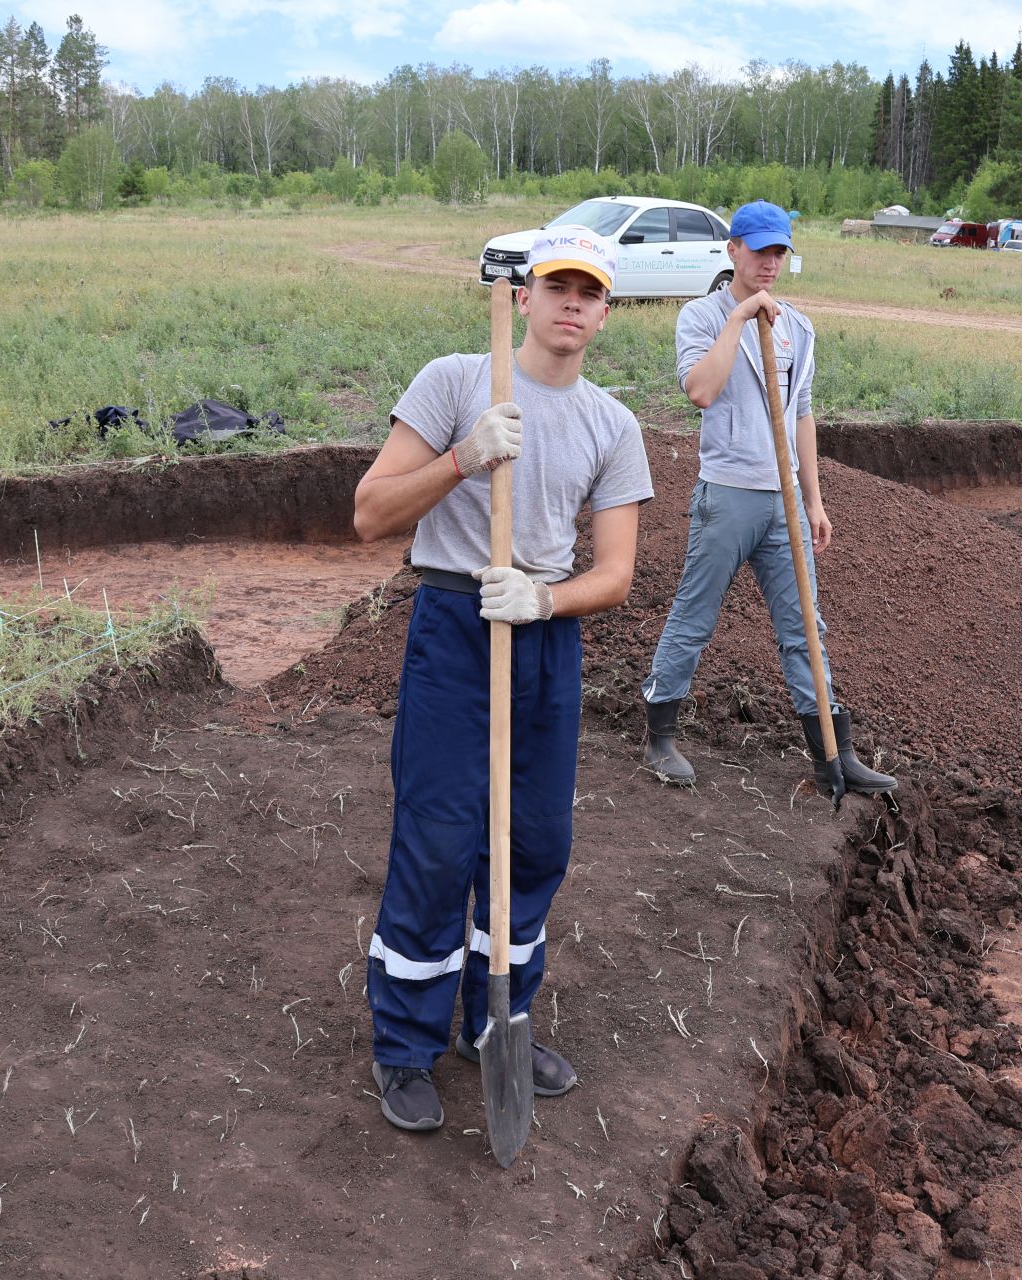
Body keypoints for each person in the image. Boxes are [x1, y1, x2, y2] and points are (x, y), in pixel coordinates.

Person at [351, 227, 652, 1133]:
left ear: (605, 312)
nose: (572, 303)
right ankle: (405, 1044)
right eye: (556, 285)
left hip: (543, 638)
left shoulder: (613, 424)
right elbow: (370, 513)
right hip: (454, 625)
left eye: (589, 292)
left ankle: (497, 1022)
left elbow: (617, 575)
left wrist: (545, 599)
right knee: (441, 837)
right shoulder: (454, 383)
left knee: (534, 842)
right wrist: (463, 458)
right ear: (523, 297)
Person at [639, 200, 896, 797]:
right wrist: (739, 319)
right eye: (759, 251)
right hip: (727, 496)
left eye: (779, 251)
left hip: (783, 505)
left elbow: (803, 417)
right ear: (733, 251)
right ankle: (661, 734)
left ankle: (834, 755)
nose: (770, 263)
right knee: (694, 616)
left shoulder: (799, 329)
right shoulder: (700, 317)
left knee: (805, 626)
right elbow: (700, 392)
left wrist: (814, 503)